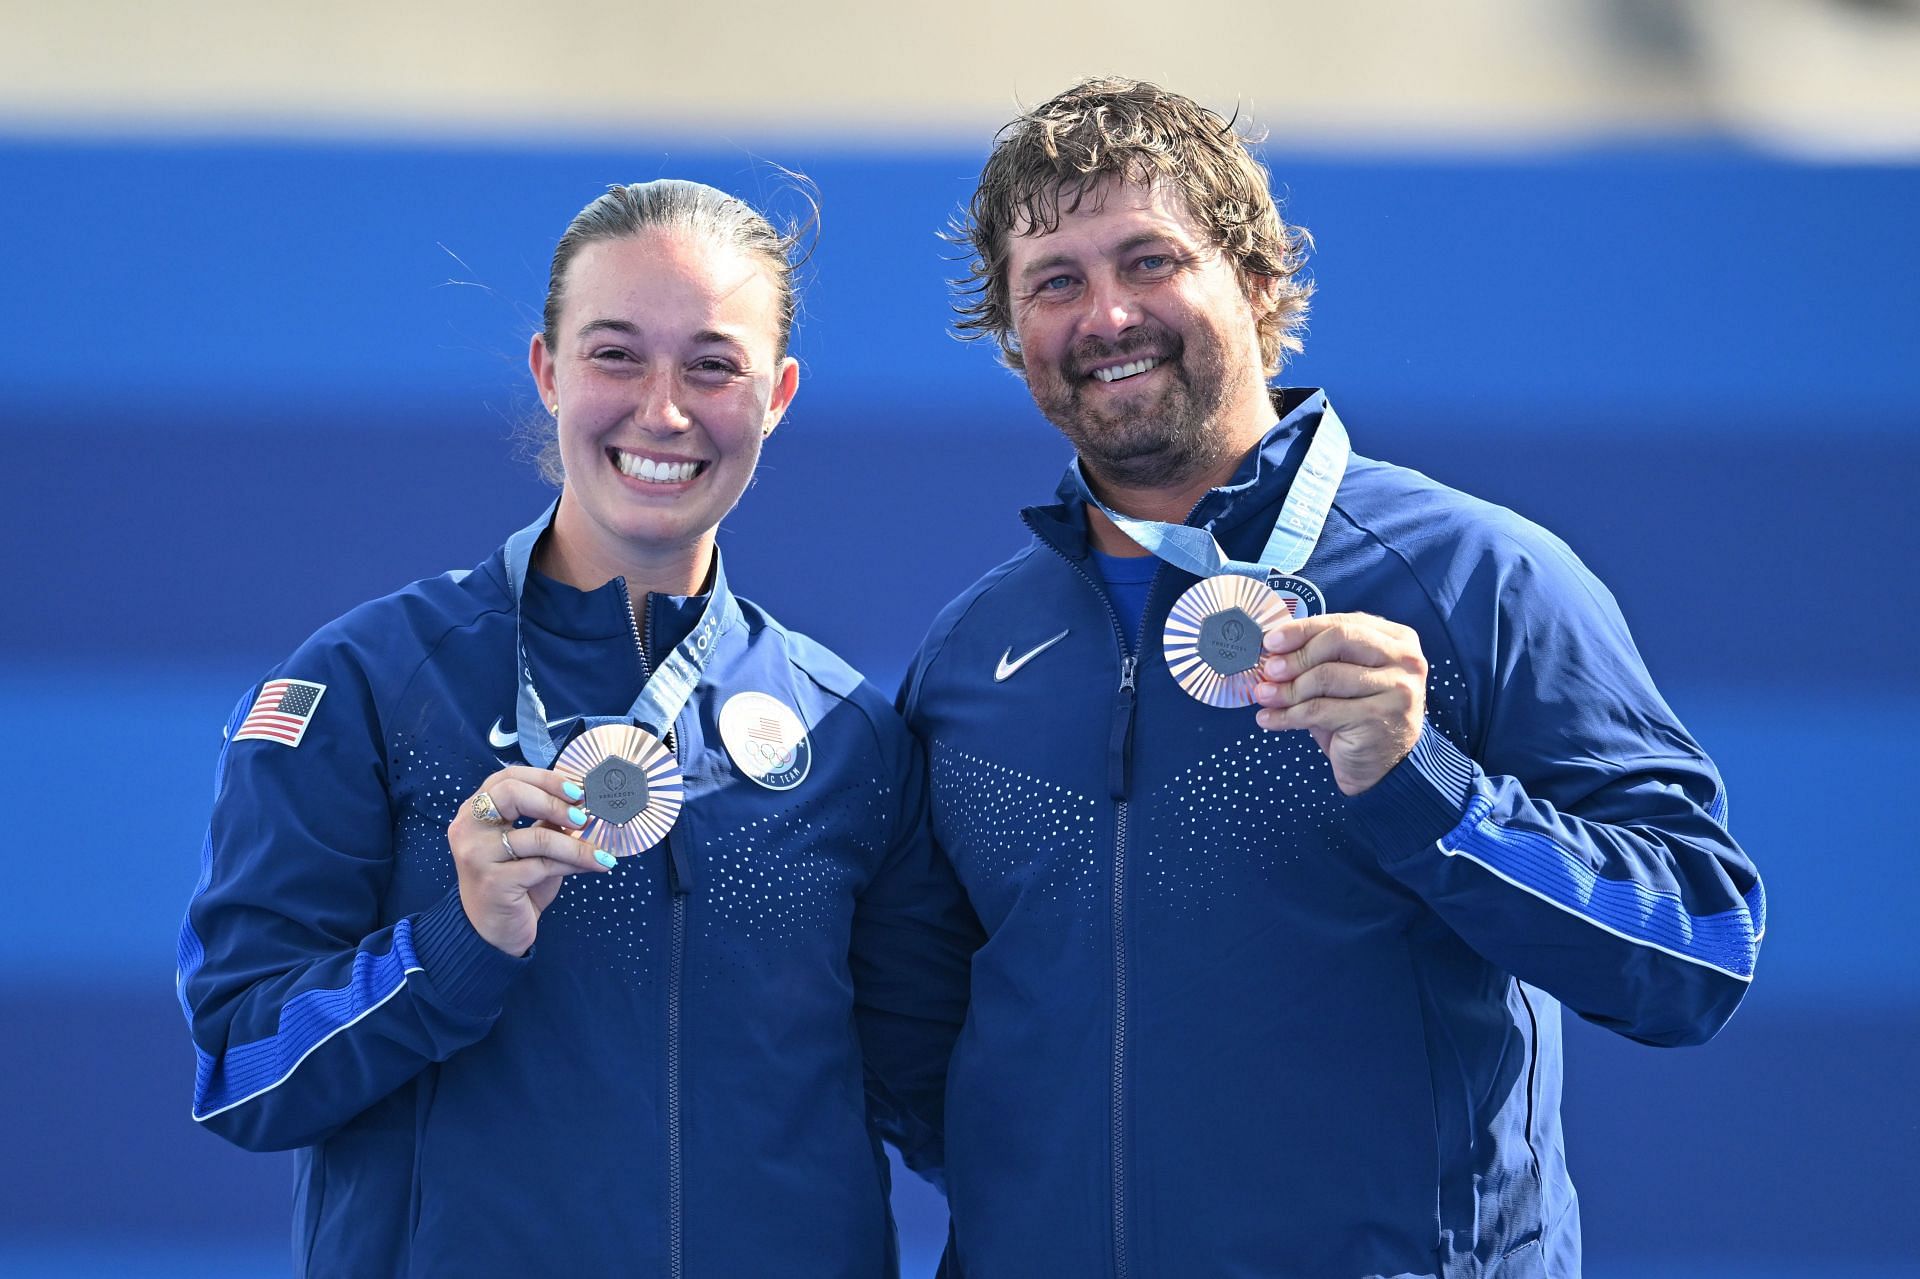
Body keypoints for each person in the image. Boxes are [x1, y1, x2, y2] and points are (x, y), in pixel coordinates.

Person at [901, 77, 1765, 1278]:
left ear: (1257, 281)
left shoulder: (1483, 579)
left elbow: (1698, 950)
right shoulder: (970, 655)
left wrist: (1430, 789)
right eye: (1055, 281)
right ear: (1012, 336)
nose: (1105, 315)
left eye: (1150, 261)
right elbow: (917, 1032)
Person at [179, 178, 974, 1278]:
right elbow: (240, 1067)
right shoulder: (368, 687)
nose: (664, 409)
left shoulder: (846, 735)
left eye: (713, 364)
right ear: (548, 370)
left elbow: (953, 1106)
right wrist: (452, 944)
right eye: (616, 355)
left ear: (777, 394)